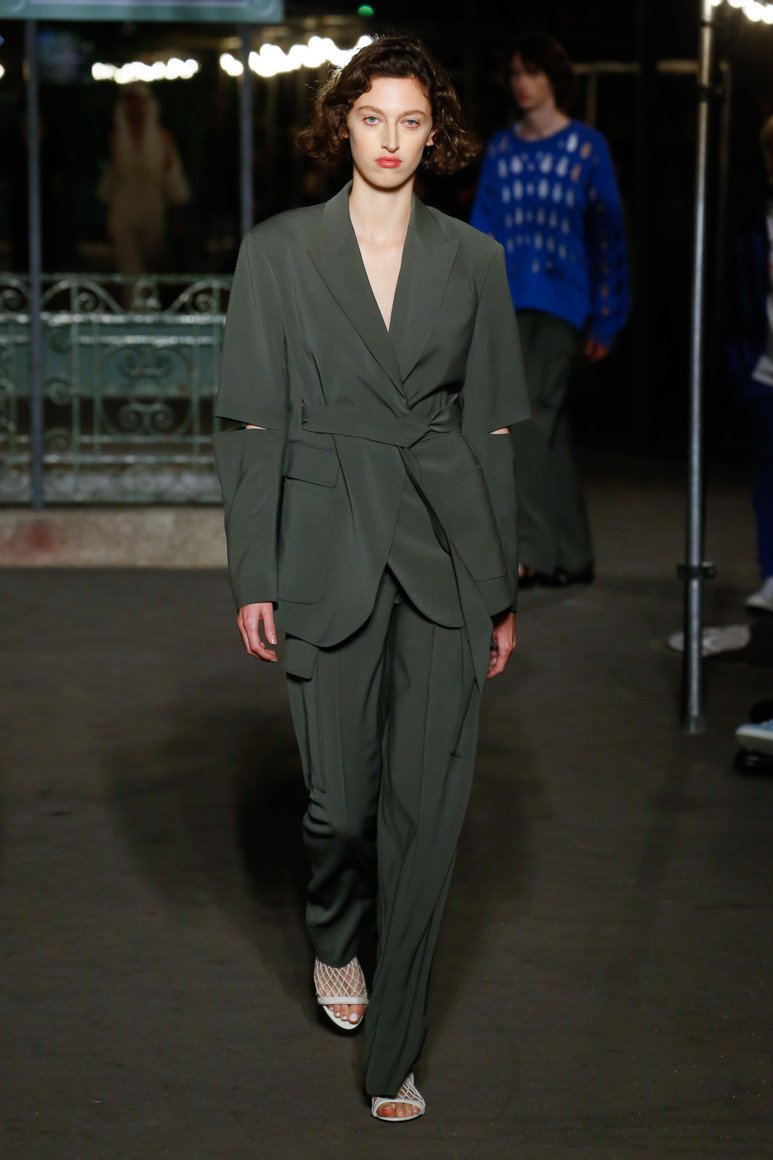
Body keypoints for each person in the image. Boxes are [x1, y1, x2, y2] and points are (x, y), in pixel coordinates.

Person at [213, 36, 529, 1122]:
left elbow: (492, 428)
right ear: (339, 124)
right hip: (323, 539)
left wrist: (499, 588)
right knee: (339, 808)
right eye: (370, 118)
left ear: (435, 135)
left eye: (410, 121)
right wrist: (253, 569)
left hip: (444, 544)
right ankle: (335, 929)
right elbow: (253, 421)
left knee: (426, 813)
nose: (390, 140)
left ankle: (393, 1054)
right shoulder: (279, 252)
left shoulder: (473, 260)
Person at [470, 33, 629, 586]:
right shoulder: (501, 149)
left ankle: (534, 552)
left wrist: (608, 315)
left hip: (565, 303)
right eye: (516, 73)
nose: (523, 83)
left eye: (533, 72)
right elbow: (482, 230)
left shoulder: (586, 148)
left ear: (554, 78)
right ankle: (573, 554)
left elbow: (608, 235)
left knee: (529, 418)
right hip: (510, 300)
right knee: (547, 425)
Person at [726, 114, 773, 614]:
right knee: (769, 477)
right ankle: (772, 574)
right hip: (764, 371)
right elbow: (736, 298)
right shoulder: (751, 223)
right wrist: (742, 367)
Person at [98, 81, 190, 290]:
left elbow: (171, 176)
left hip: (152, 209)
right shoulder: (117, 138)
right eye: (130, 102)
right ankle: (131, 307)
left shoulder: (162, 138)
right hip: (123, 209)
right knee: (129, 268)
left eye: (139, 102)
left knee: (150, 266)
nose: (135, 107)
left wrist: (178, 215)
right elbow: (112, 178)